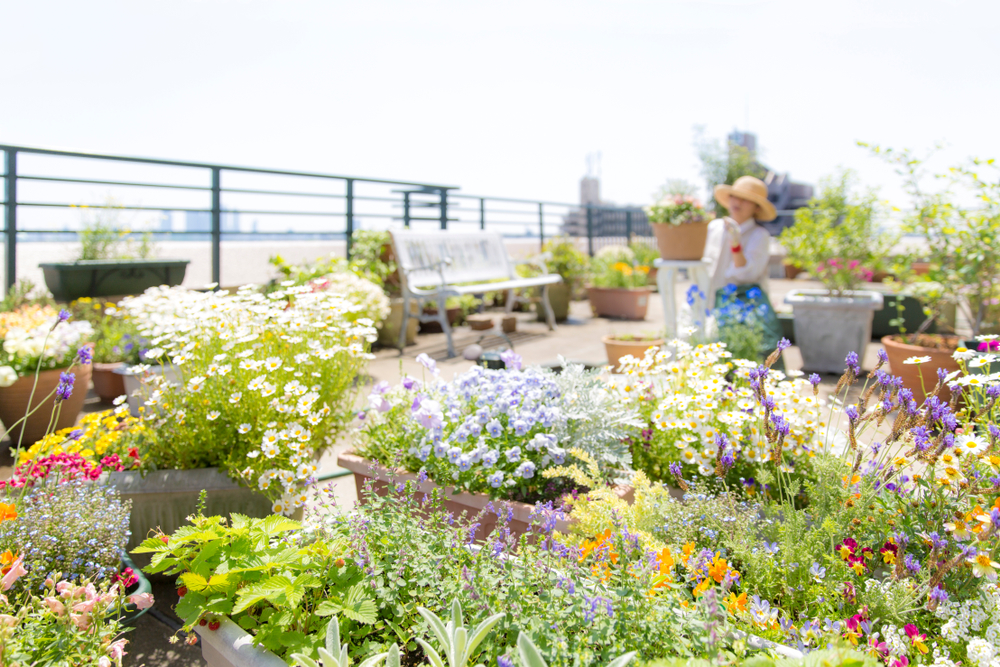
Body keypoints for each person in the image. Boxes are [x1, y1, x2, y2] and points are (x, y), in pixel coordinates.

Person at [704, 175, 784, 363]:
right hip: (707, 297)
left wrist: (736, 243)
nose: (738, 202)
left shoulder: (759, 235)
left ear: (757, 207)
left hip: (741, 306)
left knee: (741, 354)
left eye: (746, 199)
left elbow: (747, 274)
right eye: (735, 196)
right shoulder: (714, 227)